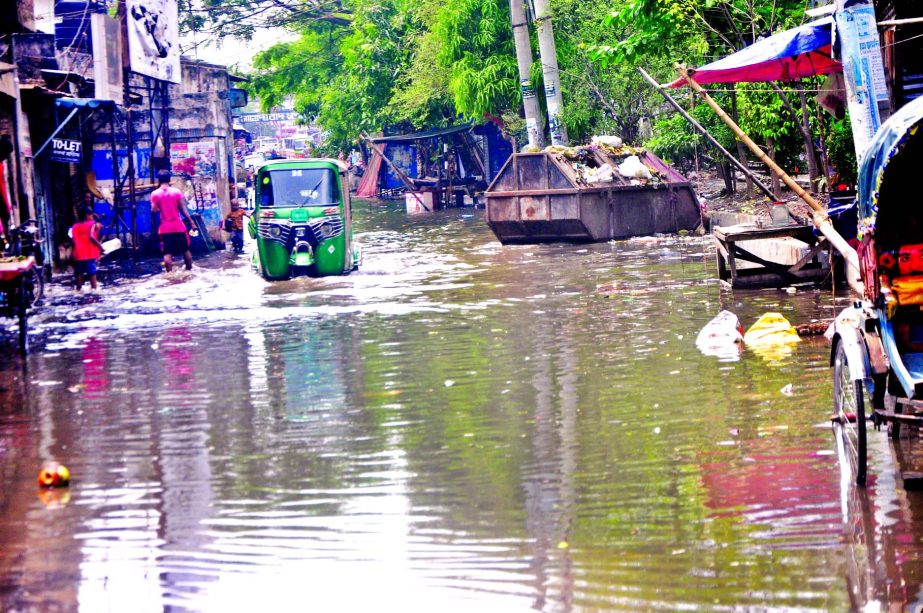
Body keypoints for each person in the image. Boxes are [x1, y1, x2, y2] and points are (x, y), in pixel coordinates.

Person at [151, 169, 194, 272]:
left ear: (159, 180)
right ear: (169, 179)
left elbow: (154, 210)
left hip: (165, 228)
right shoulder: (176, 192)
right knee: (185, 250)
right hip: (179, 226)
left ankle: (169, 274)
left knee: (167, 253)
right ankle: (189, 270)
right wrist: (191, 222)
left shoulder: (155, 194)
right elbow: (183, 209)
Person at [71, 205, 103, 291]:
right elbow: (92, 237)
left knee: (78, 273)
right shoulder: (92, 224)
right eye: (91, 215)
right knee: (92, 273)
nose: (92, 217)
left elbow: (73, 240)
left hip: (78, 254)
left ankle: (78, 289)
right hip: (89, 254)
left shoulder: (74, 227)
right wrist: (100, 247)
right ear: (87, 216)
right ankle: (94, 289)